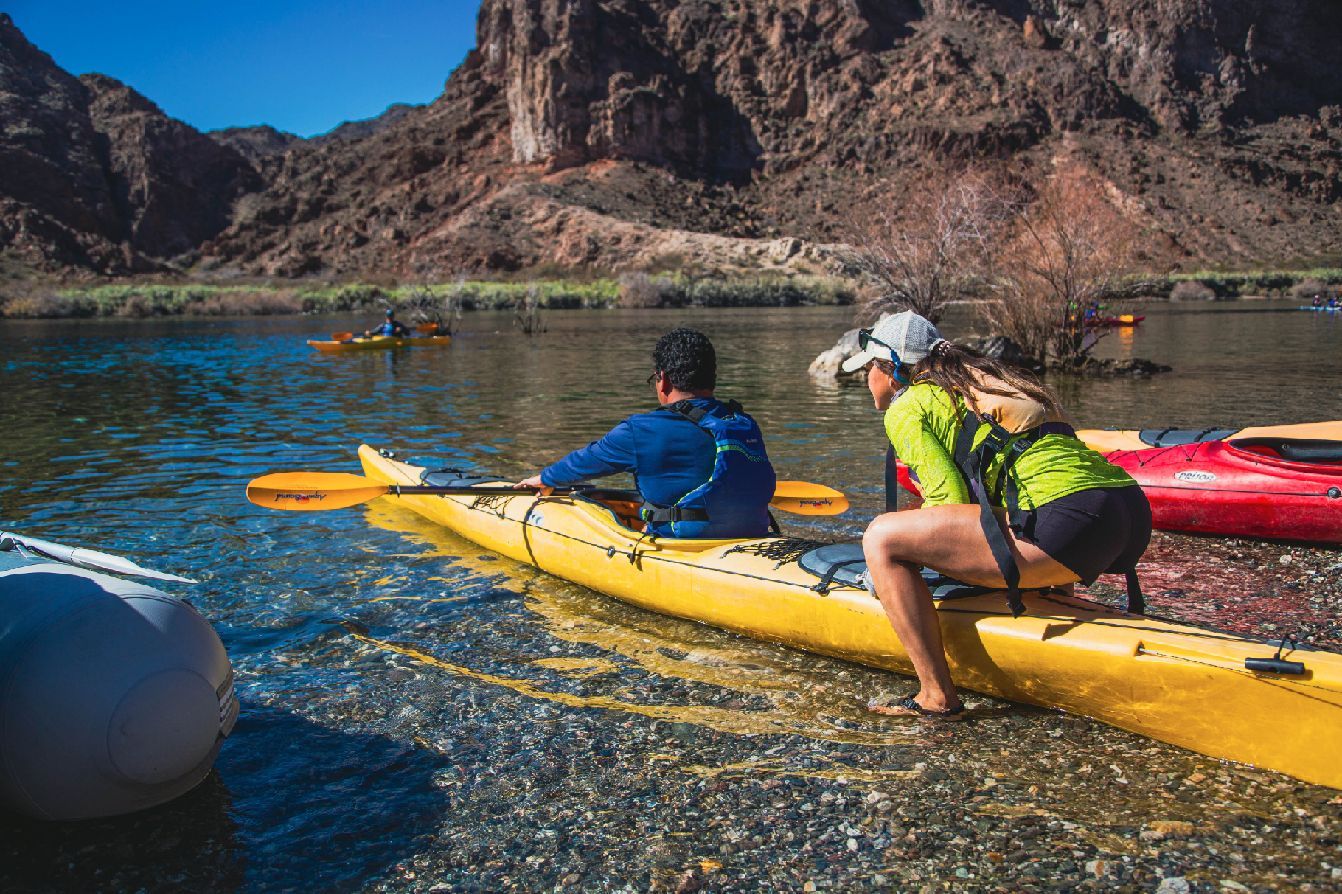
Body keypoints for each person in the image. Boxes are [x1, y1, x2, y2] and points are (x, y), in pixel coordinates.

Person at [842, 311, 1151, 719]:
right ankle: (1051, 619)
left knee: (882, 537)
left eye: (868, 368)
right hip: (1125, 510)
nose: (866, 378)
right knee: (1018, 508)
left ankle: (936, 697)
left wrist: (904, 563)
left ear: (891, 370)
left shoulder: (908, 405)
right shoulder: (990, 380)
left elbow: (948, 499)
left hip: (1070, 523)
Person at [516, 328, 776, 539]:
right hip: (751, 532)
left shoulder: (641, 430)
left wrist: (545, 478)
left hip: (685, 542)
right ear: (713, 379)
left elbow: (583, 463)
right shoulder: (742, 422)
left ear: (663, 380)